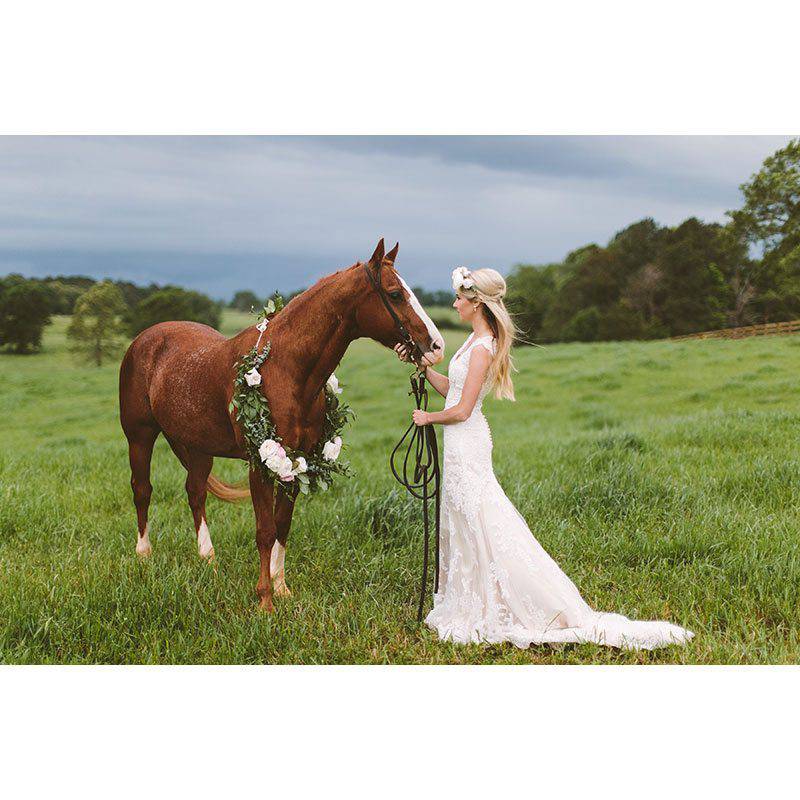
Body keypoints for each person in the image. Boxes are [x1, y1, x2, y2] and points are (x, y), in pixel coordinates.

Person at [394, 266, 694, 651]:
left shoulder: (484, 349)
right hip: (458, 443)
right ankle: (470, 597)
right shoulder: (472, 341)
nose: (454, 304)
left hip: (466, 440)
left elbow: (463, 409)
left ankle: (516, 602)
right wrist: (423, 369)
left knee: (481, 515)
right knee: (464, 517)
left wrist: (428, 418)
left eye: (460, 299)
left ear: (476, 305)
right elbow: (453, 390)